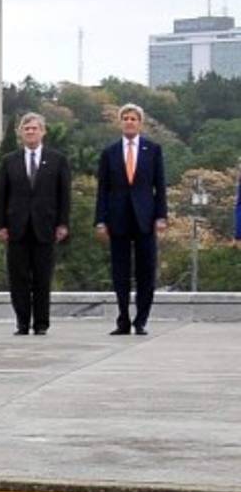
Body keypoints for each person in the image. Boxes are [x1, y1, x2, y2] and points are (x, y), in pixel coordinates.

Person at [0, 112, 71, 335]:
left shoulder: (57, 160)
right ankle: (22, 321)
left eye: (34, 128)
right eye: (26, 128)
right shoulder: (10, 160)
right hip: (17, 227)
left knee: (42, 277)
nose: (30, 132)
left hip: (45, 227)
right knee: (18, 278)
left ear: (43, 131)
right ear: (20, 133)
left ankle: (41, 323)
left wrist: (63, 224)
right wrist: (0, 225)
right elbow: (2, 195)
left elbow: (64, 195)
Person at [95, 103, 167, 336]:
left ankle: (141, 320)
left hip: (145, 218)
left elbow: (160, 187)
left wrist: (161, 216)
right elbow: (102, 189)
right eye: (125, 118)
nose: (129, 121)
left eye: (133, 118)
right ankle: (123, 318)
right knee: (120, 272)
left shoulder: (152, 150)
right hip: (118, 219)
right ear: (120, 122)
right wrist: (101, 220)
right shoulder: (110, 152)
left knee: (146, 271)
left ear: (140, 123)